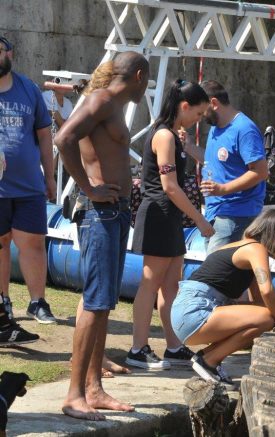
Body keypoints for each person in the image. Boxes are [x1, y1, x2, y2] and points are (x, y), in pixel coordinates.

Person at [55, 51, 150, 421]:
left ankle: (93, 388)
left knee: (103, 301)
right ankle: (74, 395)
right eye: (147, 81)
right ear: (139, 75)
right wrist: (89, 188)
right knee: (95, 302)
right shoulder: (102, 101)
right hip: (100, 213)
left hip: (115, 211)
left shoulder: (112, 105)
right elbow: (64, 138)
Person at [128, 80, 214, 370]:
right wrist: (199, 219)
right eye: (198, 114)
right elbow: (170, 186)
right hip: (159, 214)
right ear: (184, 106)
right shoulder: (164, 136)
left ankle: (174, 346)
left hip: (171, 216)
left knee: (171, 285)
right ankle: (138, 348)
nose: (198, 120)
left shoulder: (175, 137)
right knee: (150, 283)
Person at [170, 208, 275, 385]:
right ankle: (209, 361)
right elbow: (267, 291)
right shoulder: (256, 249)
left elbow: (260, 302)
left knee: (265, 317)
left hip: (188, 312)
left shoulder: (245, 248)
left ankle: (207, 356)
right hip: (194, 311)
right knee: (266, 319)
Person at [0, 34, 57, 325]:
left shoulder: (28, 89)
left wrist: (50, 176)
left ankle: (38, 302)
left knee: (33, 243)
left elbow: (45, 135)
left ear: (10, 54)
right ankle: (3, 303)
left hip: (29, 185)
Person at [181, 80, 268, 253]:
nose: (200, 117)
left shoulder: (244, 129)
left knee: (215, 267)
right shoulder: (217, 127)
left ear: (214, 103)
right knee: (218, 266)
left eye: (202, 111)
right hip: (215, 212)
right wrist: (189, 147)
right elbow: (212, 160)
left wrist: (223, 189)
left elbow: (260, 172)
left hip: (236, 214)